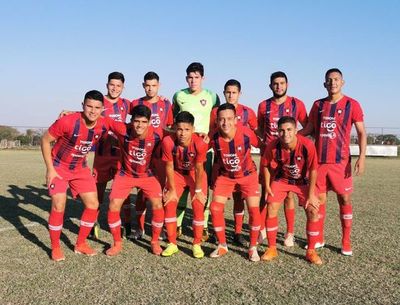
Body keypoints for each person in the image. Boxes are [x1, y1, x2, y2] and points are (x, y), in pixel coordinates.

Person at [300, 68, 366, 256]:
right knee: (319, 200)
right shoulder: (318, 105)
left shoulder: (352, 104)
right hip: (319, 163)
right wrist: (289, 138)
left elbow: (361, 132)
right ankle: (319, 238)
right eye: (329, 80)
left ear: (342, 82)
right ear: (324, 84)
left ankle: (346, 241)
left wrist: (362, 157)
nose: (333, 83)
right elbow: (309, 129)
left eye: (336, 79)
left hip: (340, 162)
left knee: (344, 198)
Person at [41, 90, 110, 262]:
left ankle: (80, 244)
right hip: (59, 167)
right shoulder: (67, 121)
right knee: (59, 205)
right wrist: (50, 169)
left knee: (93, 205)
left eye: (97, 107)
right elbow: (44, 140)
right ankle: (55, 247)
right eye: (89, 106)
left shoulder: (103, 124)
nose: (93, 111)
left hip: (80, 169)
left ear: (102, 109)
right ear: (82, 106)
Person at [261, 116, 322, 265]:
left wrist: (311, 194)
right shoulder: (273, 146)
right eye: (281, 130)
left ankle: (311, 251)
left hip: (302, 181)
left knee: (313, 210)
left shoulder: (307, 145)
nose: (285, 133)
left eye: (289, 130)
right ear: (277, 131)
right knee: (272, 207)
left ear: (295, 130)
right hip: (282, 180)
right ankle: (272, 248)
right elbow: (266, 165)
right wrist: (268, 186)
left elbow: (314, 170)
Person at [105, 105, 164, 256]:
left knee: (158, 204)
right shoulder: (122, 129)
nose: (140, 125)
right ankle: (117, 243)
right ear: (131, 121)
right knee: (113, 205)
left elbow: (177, 132)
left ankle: (155, 242)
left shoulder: (157, 134)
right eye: (136, 121)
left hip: (146, 176)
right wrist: (75, 113)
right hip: (125, 175)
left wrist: (200, 134)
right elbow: (99, 118)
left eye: (144, 122)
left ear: (149, 122)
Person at [257, 71, 308, 247]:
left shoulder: (297, 104)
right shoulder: (263, 106)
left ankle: (289, 233)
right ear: (270, 86)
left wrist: (294, 140)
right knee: (266, 193)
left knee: (288, 196)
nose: (279, 86)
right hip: (270, 158)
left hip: (290, 158)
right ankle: (263, 229)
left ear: (287, 84)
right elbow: (260, 129)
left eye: (282, 83)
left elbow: (307, 126)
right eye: (275, 83)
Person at [172, 62, 220, 241]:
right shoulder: (178, 95)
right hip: (183, 149)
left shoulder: (212, 96)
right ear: (186, 78)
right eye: (190, 78)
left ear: (203, 78)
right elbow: (175, 120)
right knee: (183, 187)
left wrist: (210, 136)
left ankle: (204, 226)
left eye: (196, 77)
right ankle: (177, 225)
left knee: (202, 188)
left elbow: (217, 122)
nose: (193, 81)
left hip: (204, 150)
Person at [209, 103, 261, 262]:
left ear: (236, 119)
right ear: (217, 121)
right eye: (222, 119)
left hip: (248, 176)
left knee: (253, 209)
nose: (226, 123)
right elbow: (197, 148)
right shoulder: (213, 136)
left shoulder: (246, 133)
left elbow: (265, 147)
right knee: (215, 208)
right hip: (225, 177)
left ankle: (253, 248)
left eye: (229, 119)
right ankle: (222, 245)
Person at [130, 72, 173, 240]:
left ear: (159, 86)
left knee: (161, 191)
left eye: (154, 85)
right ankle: (139, 228)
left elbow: (169, 127)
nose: (150, 88)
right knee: (141, 192)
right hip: (142, 155)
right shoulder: (136, 103)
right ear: (143, 85)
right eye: (147, 85)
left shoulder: (166, 104)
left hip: (160, 155)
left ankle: (160, 228)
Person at [161, 111, 208, 258]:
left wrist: (199, 190)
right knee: (169, 202)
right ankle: (172, 243)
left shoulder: (200, 143)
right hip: (177, 173)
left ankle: (196, 244)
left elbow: (200, 167)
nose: (182, 133)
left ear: (193, 129)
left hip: (196, 175)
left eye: (187, 129)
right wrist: (172, 189)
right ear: (175, 128)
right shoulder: (168, 141)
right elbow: (169, 166)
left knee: (198, 205)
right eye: (180, 129)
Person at [92, 72, 132, 238]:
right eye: (112, 85)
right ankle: (92, 225)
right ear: (107, 85)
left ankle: (127, 225)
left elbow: (144, 111)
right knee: (97, 193)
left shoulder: (126, 104)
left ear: (123, 87)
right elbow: (88, 112)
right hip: (101, 155)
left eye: (118, 86)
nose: (115, 88)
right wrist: (70, 112)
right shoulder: (100, 101)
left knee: (124, 193)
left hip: (120, 155)